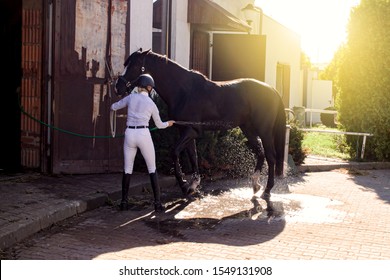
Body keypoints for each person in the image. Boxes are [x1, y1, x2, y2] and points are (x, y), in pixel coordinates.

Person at [111, 73, 175, 212]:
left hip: (129, 134)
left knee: (127, 168)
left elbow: (114, 107)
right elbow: (159, 125)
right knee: (152, 168)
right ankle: (157, 204)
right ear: (149, 87)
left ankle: (124, 202)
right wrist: (169, 123)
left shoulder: (131, 97)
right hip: (143, 133)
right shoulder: (151, 103)